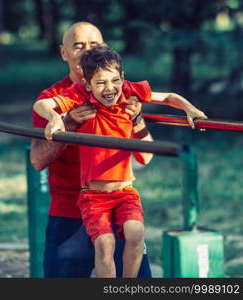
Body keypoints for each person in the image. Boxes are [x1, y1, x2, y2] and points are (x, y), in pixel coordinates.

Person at [33, 45, 208, 277]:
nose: (110, 88)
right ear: (87, 84)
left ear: (122, 78)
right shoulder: (80, 96)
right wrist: (56, 118)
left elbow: (167, 96)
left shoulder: (127, 92)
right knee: (105, 243)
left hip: (125, 191)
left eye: (114, 80)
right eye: (101, 82)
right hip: (93, 195)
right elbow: (42, 105)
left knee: (135, 232)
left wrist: (190, 109)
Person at [30, 22, 153, 278]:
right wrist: (69, 123)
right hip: (70, 211)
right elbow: (38, 160)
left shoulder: (117, 89)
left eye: (94, 45)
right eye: (78, 46)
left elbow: (146, 155)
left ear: (105, 48)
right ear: (64, 53)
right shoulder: (53, 97)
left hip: (117, 206)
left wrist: (137, 119)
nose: (86, 52)